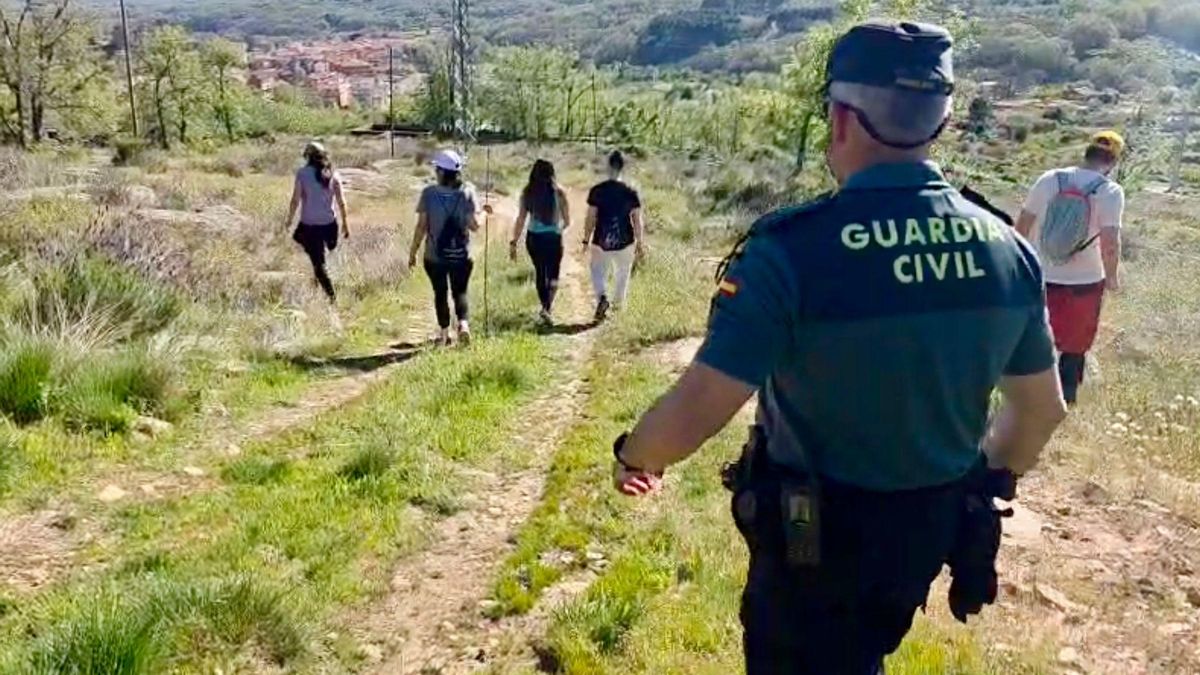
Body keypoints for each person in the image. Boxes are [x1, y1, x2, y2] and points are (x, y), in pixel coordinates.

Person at [608, 21, 1068, 674]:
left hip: (810, 534)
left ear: (842, 118)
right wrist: (982, 478)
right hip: (925, 530)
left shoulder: (792, 251)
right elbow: (1040, 410)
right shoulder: (1006, 249)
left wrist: (636, 453)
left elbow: (704, 399)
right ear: (939, 122)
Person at [1015, 131, 1126, 405]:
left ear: (1086, 153)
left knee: (1036, 336)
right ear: (1112, 163)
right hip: (1085, 282)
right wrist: (1112, 277)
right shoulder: (1109, 191)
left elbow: (1022, 226)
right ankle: (1064, 400)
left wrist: (1018, 264)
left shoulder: (1050, 179)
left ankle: (1023, 397)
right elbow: (1110, 242)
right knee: (1075, 344)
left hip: (1041, 275)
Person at [408, 149, 481, 346]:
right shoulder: (467, 192)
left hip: (434, 255)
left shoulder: (429, 194)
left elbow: (421, 226)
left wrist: (413, 251)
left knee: (440, 293)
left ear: (440, 171)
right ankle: (464, 325)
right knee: (460, 292)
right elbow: (475, 226)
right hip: (462, 254)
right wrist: (483, 214)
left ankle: (444, 333)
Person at [582, 150, 646, 323]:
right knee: (623, 274)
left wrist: (586, 239)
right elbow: (637, 220)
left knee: (597, 271)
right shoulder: (631, 192)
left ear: (608, 167)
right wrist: (640, 243)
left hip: (601, 239)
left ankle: (602, 296)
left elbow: (590, 217)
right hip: (625, 240)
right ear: (622, 167)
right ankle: (618, 307)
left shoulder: (597, 190)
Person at [286, 141, 350, 305]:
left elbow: (295, 200)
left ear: (307, 156)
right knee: (315, 251)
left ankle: (332, 297)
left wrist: (289, 220)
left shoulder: (302, 173)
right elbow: (342, 201)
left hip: (310, 226)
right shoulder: (333, 174)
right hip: (330, 225)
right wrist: (345, 224)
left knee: (318, 261)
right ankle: (319, 274)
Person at [510, 159, 572, 325]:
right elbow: (567, 221)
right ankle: (547, 307)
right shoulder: (559, 192)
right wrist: (558, 229)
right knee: (553, 275)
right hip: (553, 238)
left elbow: (521, 219)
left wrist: (513, 241)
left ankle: (545, 306)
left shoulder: (528, 192)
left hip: (534, 239)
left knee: (540, 272)